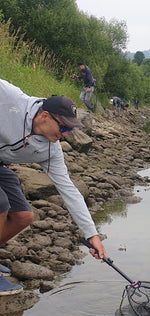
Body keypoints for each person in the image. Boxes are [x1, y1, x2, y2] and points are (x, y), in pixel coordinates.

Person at [0, 78, 107, 296]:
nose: (66, 134)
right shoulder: (10, 97)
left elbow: (70, 191)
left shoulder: (51, 150)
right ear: (45, 116)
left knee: (23, 216)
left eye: (70, 129)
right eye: (64, 127)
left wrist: (92, 235)